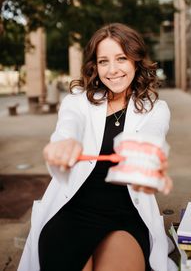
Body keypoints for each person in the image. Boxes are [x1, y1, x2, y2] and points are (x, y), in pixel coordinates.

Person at [18, 23, 177, 271]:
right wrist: (64, 144)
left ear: (136, 61)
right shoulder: (76, 102)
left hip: (126, 213)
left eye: (121, 58)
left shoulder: (156, 109)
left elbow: (151, 136)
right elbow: (67, 128)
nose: (112, 70)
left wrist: (141, 156)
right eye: (103, 61)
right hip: (73, 209)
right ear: (95, 66)